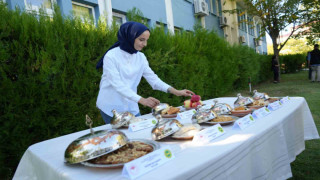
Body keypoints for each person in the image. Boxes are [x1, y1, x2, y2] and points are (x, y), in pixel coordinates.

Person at [96, 22, 194, 124]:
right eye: (141, 40)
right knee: (120, 137)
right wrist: (143, 100)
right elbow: (118, 84)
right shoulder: (111, 56)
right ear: (129, 37)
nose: (145, 44)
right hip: (111, 107)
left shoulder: (141, 57)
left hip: (131, 105)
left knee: (137, 133)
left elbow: (154, 79)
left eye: (146, 40)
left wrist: (176, 91)